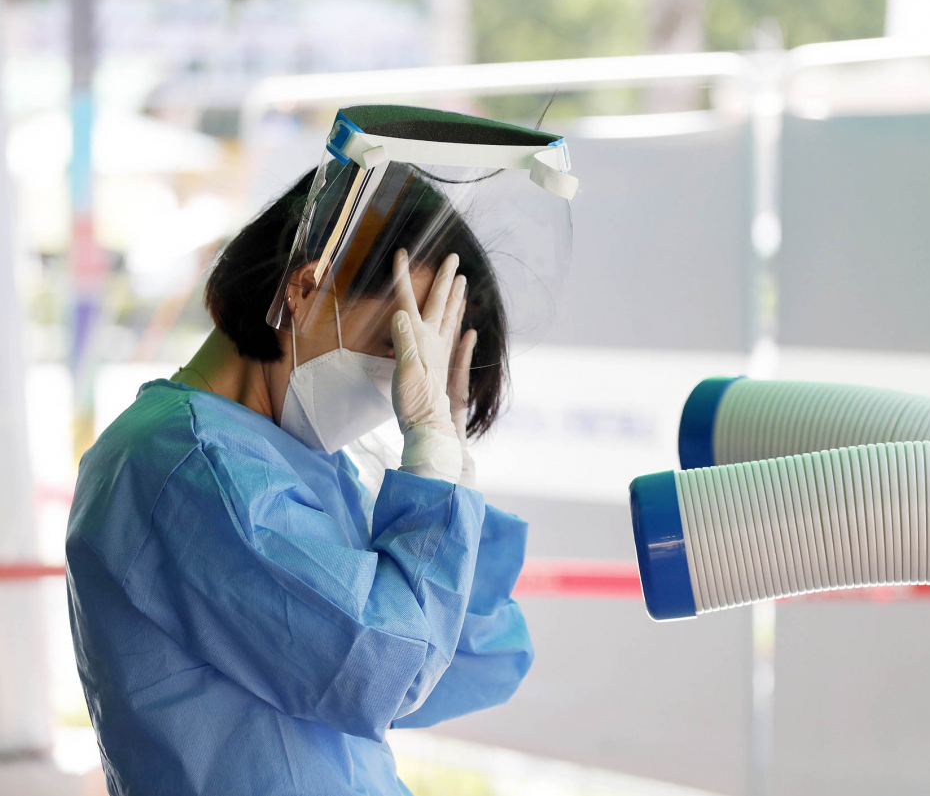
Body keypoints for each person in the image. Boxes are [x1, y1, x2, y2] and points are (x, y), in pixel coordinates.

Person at [65, 106, 575, 795]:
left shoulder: (296, 458)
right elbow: (385, 666)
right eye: (399, 343)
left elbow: (473, 661)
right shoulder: (190, 466)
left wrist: (446, 462)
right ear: (306, 288)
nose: (403, 380)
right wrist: (427, 472)